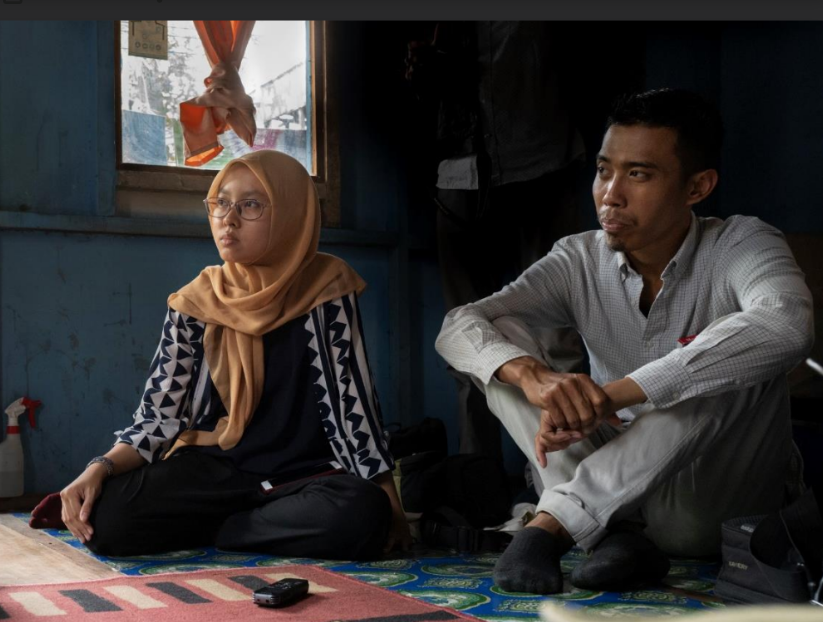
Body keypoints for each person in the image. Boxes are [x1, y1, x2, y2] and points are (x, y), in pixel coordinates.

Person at [435, 89, 812, 594]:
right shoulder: (578, 258)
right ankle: (617, 540)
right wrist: (535, 378)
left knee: (733, 356)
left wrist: (615, 395)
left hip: (708, 505)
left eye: (638, 174)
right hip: (616, 499)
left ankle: (552, 525)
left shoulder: (743, 243)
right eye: (603, 170)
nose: (610, 194)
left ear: (697, 186)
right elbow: (458, 324)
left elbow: (786, 325)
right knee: (499, 350)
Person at [57, 150, 410, 560]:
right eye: (221, 202)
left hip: (302, 477)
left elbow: (353, 408)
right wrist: (99, 467)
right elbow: (159, 416)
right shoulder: (194, 302)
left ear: (291, 213)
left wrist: (391, 506)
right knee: (107, 518)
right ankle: (254, 525)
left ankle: (229, 529)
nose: (229, 219)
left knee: (362, 512)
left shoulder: (326, 288)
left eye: (251, 205)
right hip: (215, 471)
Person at [406, 21, 589, 464]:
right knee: (466, 341)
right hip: (458, 171)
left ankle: (576, 475)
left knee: (559, 336)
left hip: (544, 161)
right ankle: (478, 480)